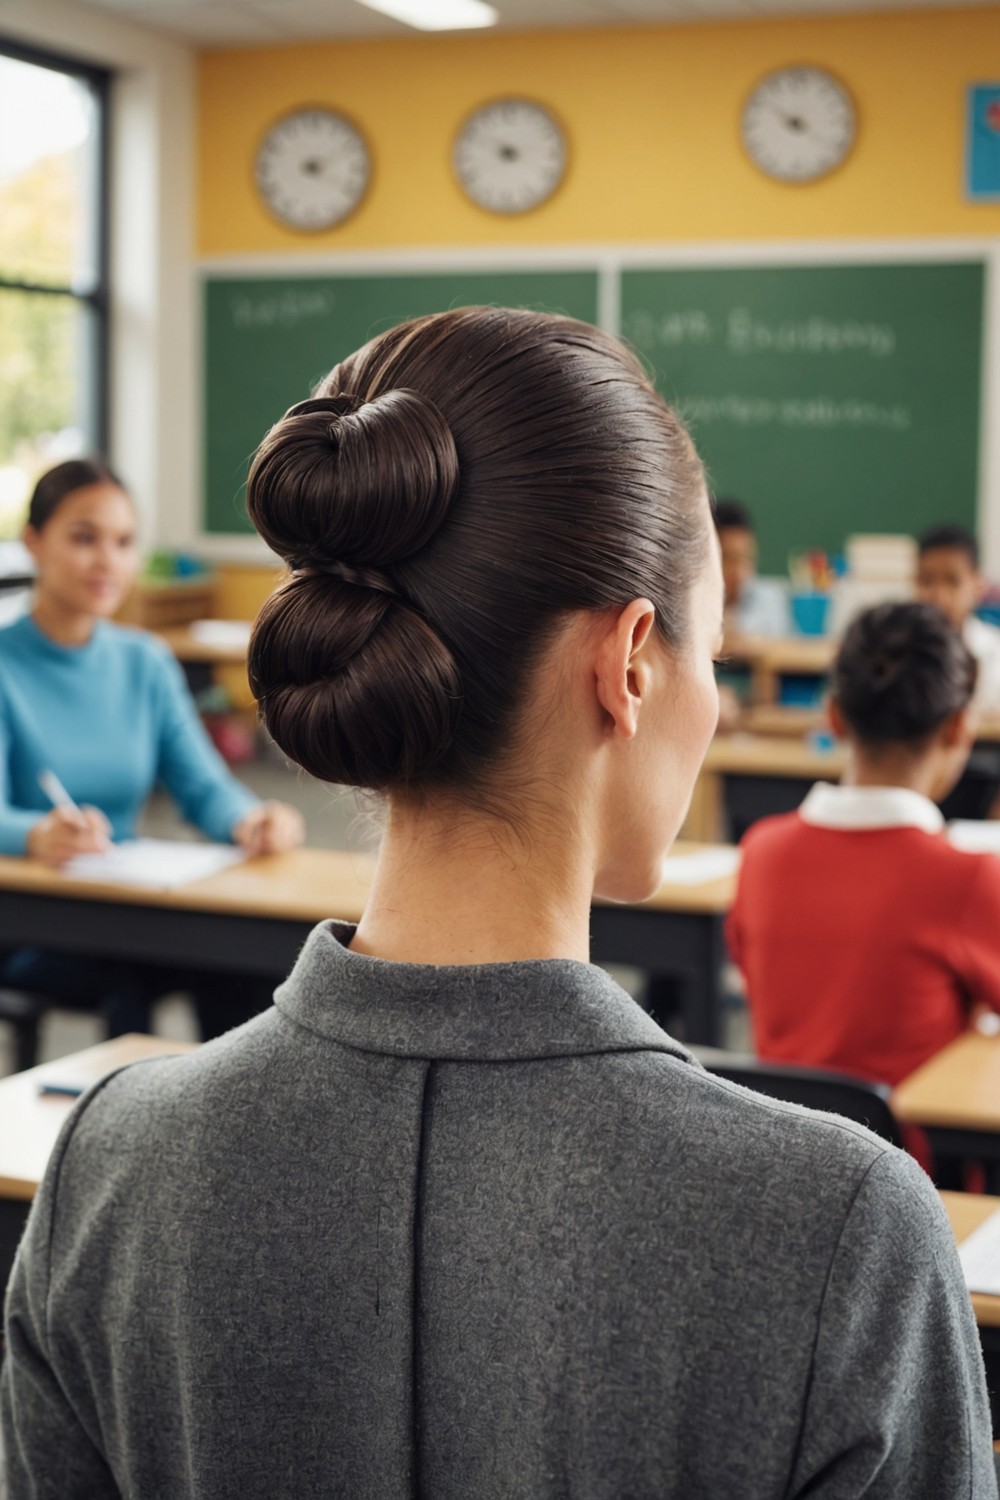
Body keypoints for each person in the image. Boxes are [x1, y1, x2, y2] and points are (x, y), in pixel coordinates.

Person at [2, 312, 995, 1498]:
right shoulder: (845, 1227)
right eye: (713, 662)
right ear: (629, 664)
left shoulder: (111, 1164)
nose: (716, 707)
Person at [0, 458, 304, 1038]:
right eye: (84, 538)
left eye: (123, 542)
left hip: (128, 898)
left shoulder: (146, 662)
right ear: (34, 543)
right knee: (129, 979)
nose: (107, 560)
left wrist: (250, 819)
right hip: (33, 915)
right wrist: (38, 835)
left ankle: (231, 1127)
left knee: (238, 964)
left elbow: (201, 785)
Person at [728, 600, 1000, 1096]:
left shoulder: (760, 852)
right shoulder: (967, 880)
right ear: (960, 726)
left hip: (779, 1161)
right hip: (916, 1171)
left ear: (834, 717)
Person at [916, 522, 1000, 710]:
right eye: (927, 581)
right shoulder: (897, 651)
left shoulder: (995, 652)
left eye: (952, 582)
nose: (938, 595)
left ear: (977, 585)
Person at [715, 496, 790, 640]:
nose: (739, 571)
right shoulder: (688, 605)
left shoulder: (771, 599)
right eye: (728, 559)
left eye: (747, 558)